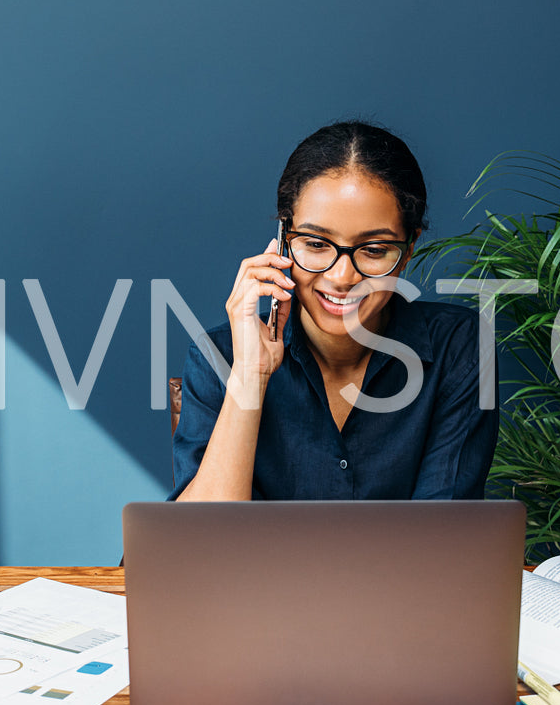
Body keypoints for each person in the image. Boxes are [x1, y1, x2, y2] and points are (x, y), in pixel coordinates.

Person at [171, 121, 498, 501]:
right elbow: (205, 546)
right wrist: (251, 374)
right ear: (282, 240)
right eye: (315, 244)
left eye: (374, 250)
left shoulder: (458, 348)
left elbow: (443, 535)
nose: (343, 276)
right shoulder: (219, 358)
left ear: (408, 251)